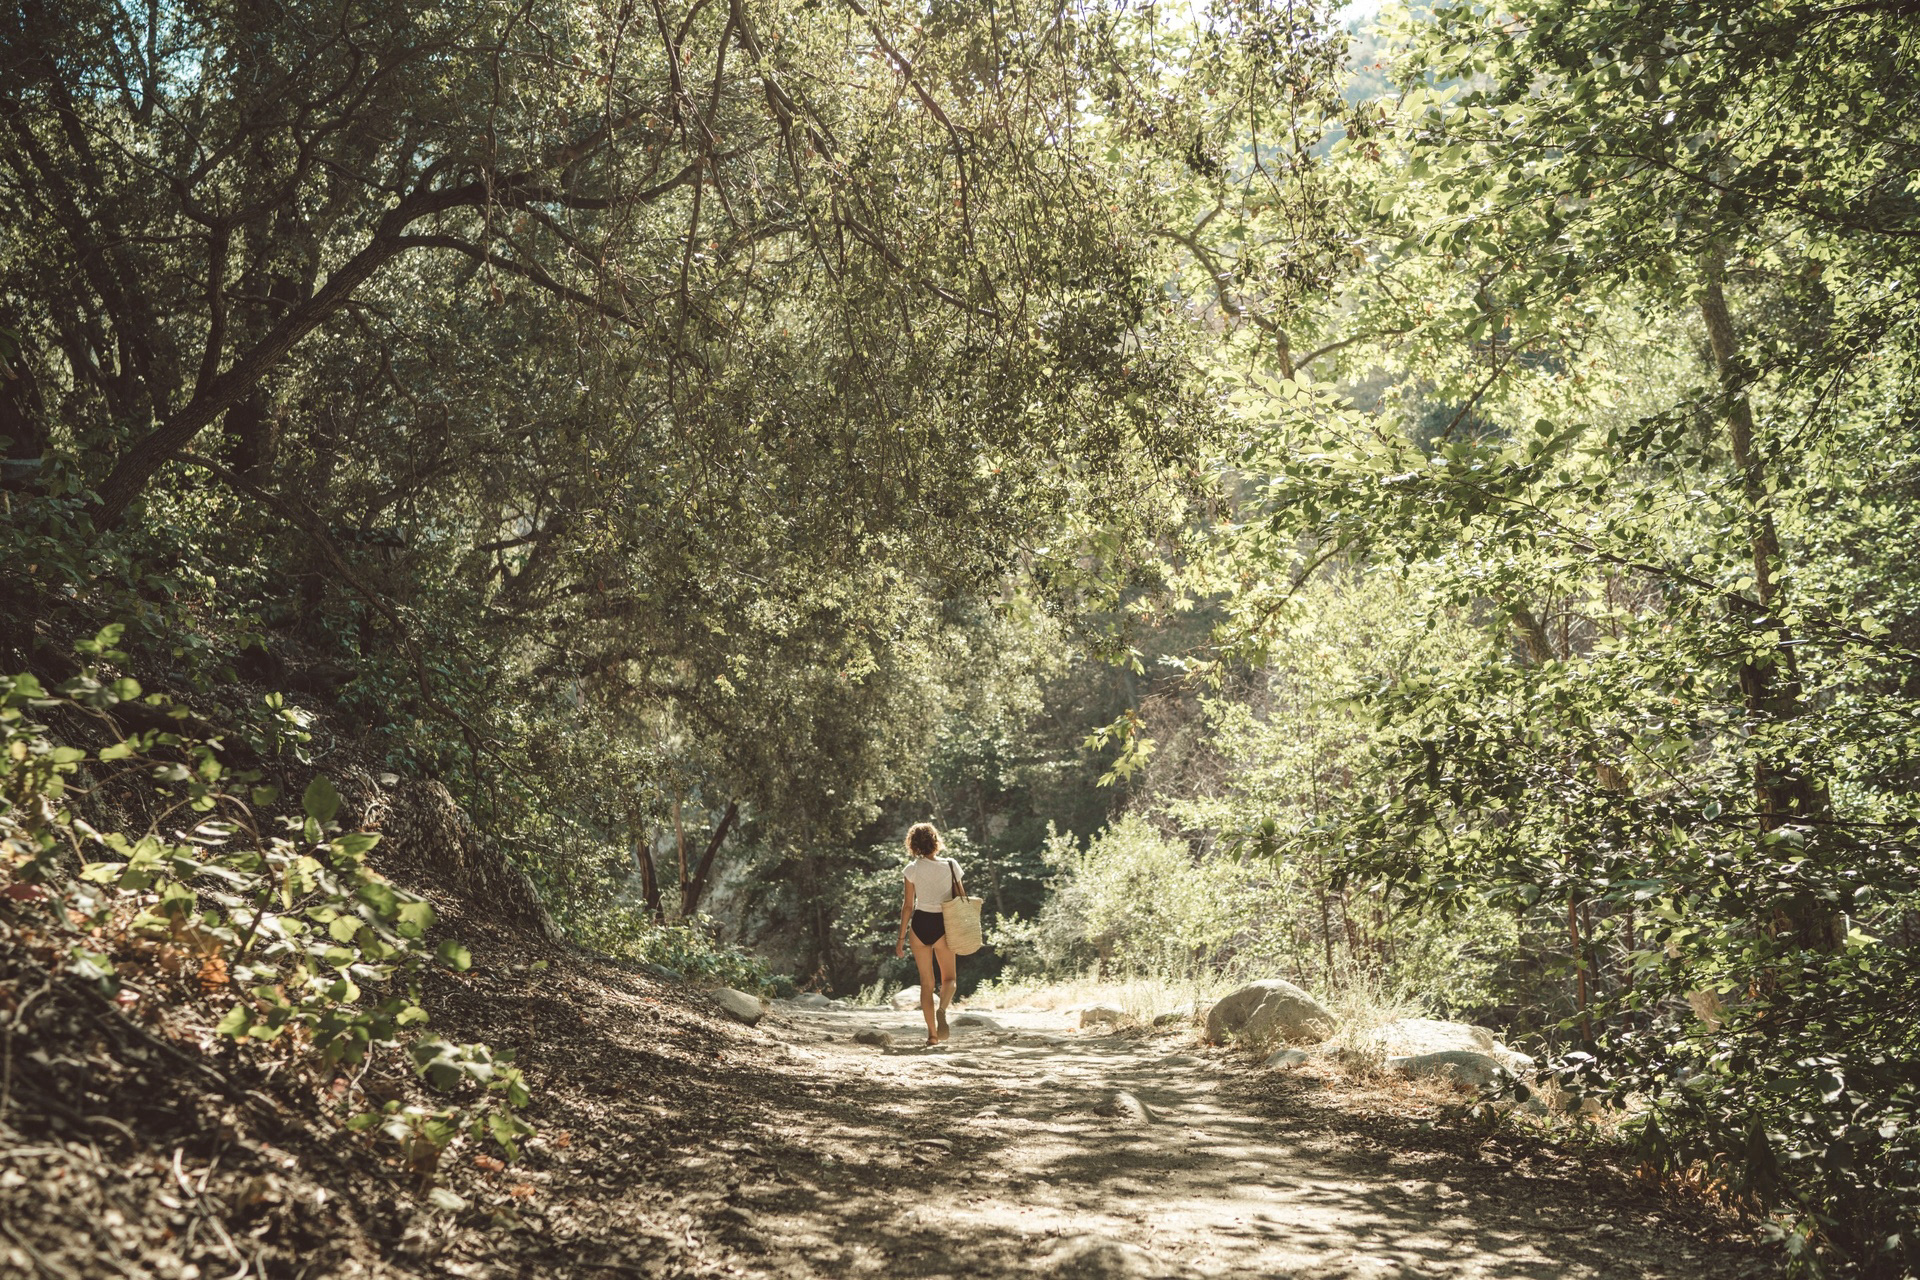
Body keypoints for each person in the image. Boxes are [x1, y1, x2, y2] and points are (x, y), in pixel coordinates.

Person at [893, 821, 964, 1046]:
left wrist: (901, 939)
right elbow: (961, 898)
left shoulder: (912, 869)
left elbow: (907, 906)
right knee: (949, 979)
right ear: (935, 841)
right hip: (943, 924)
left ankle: (932, 1035)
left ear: (913, 845)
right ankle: (942, 1009)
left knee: (926, 983)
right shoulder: (951, 865)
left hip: (920, 924)